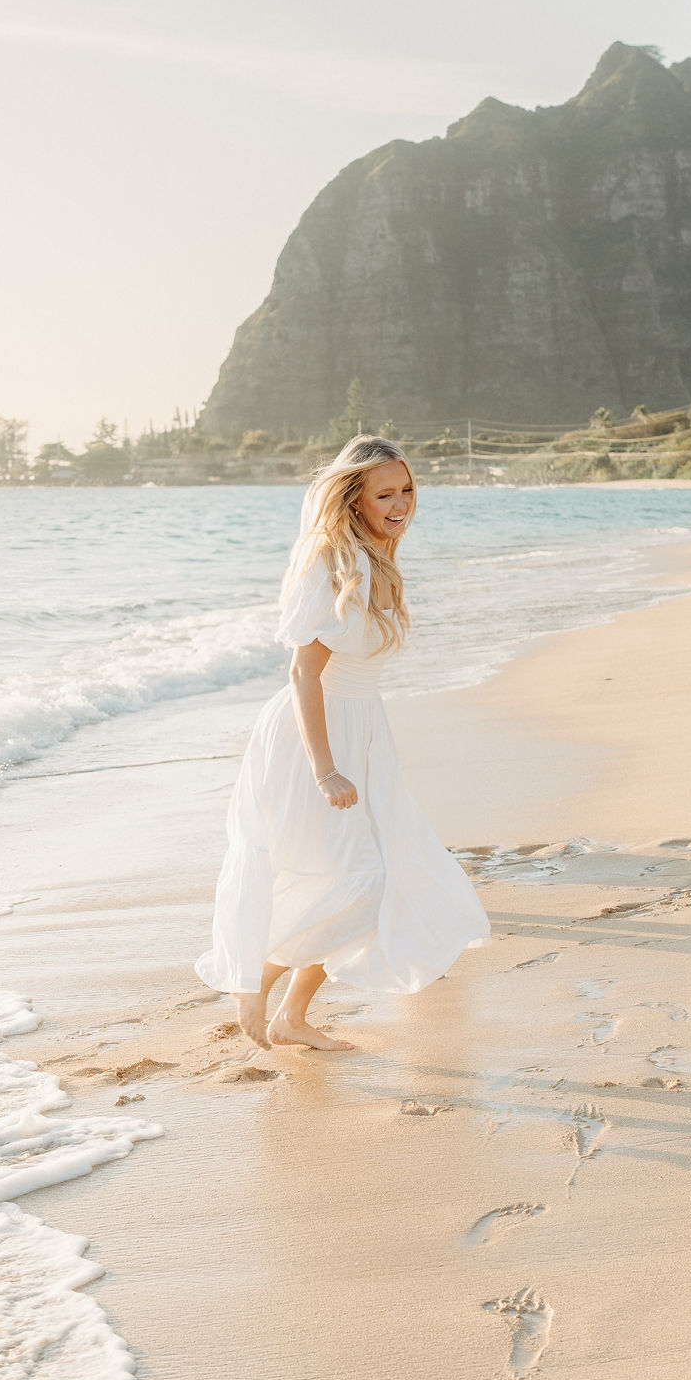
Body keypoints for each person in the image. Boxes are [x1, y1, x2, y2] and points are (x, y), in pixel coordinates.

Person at [194, 436, 490, 1050]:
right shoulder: (333, 561)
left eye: (406, 489)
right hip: (314, 737)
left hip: (364, 735)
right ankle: (256, 980)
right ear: (353, 499)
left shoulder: (377, 556)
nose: (401, 502)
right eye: (385, 493)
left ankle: (292, 1018)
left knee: (370, 878)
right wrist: (325, 769)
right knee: (360, 883)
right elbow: (305, 673)